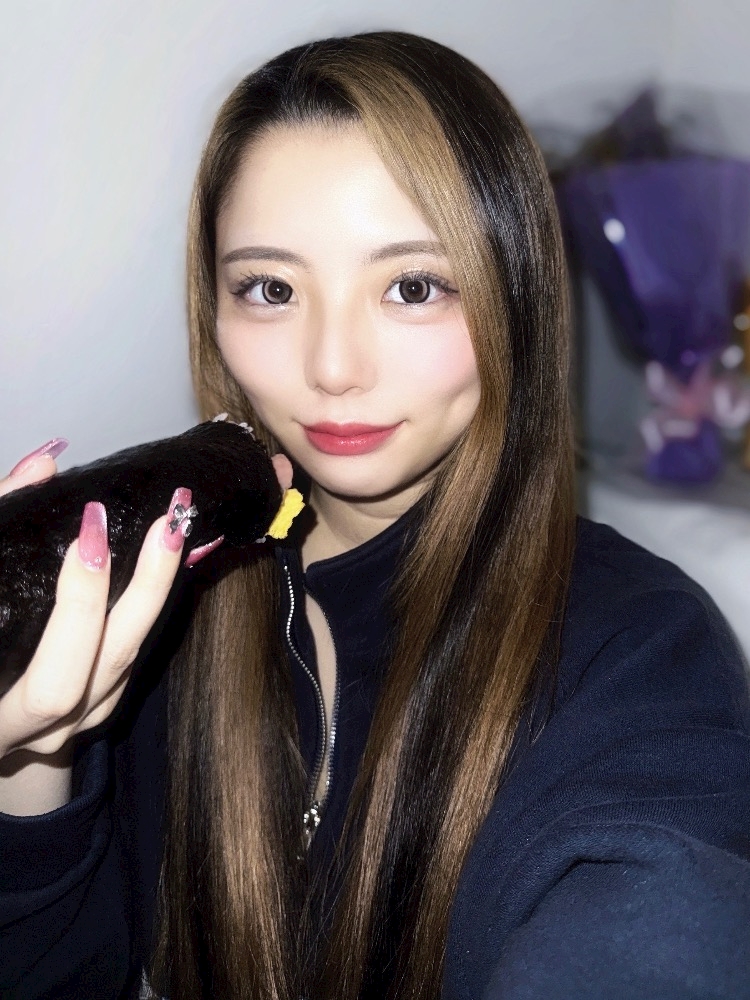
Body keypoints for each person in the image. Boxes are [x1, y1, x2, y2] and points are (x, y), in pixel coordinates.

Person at [1, 31, 749, 1000]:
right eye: (272, 289)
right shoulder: (160, 601)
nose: (333, 367)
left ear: (515, 296)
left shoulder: (640, 651)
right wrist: (35, 753)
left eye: (412, 287)